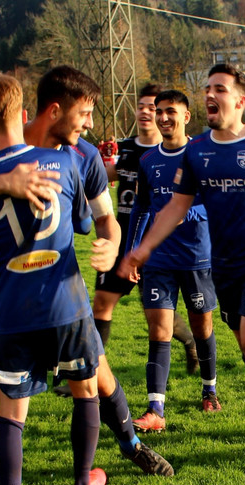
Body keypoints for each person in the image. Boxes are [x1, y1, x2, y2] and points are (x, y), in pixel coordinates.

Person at [0, 66, 173, 485]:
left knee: (97, 375)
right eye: (83, 114)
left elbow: (105, 218)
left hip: (59, 288)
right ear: (52, 111)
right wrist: (6, 182)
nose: (88, 126)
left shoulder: (79, 156)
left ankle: (131, 446)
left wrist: (112, 243)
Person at [118, 63, 245, 463]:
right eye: (207, 88)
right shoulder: (198, 151)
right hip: (222, 267)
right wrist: (143, 248)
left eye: (219, 89)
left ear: (240, 100)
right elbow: (176, 206)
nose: (210, 94)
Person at [0, 73, 112, 485]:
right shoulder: (64, 163)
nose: (86, 124)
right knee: (86, 389)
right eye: (83, 114)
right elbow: (89, 225)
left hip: (10, 312)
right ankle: (84, 481)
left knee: (12, 408)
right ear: (26, 113)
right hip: (66, 306)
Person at [125, 89, 221, 433]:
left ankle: (209, 389)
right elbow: (141, 208)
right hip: (159, 259)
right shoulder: (149, 160)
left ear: (186, 116)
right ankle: (155, 410)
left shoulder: (203, 155)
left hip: (197, 257)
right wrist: (133, 252)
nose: (163, 117)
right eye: (159, 111)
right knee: (159, 329)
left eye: (171, 112)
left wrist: (185, 211)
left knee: (201, 327)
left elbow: (216, 201)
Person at [96, 84, 199, 370]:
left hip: (156, 242)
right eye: (142, 106)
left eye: (153, 108)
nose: (146, 112)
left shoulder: (170, 152)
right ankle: (89, 371)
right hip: (121, 238)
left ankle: (190, 342)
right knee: (102, 302)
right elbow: (111, 173)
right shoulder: (128, 148)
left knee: (157, 317)